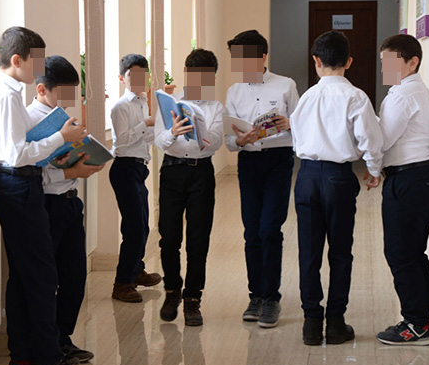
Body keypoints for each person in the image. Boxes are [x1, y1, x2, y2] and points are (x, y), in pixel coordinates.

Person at [0, 27, 91, 365]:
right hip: (18, 184)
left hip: (16, 185)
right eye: (37, 62)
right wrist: (62, 137)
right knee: (42, 277)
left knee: (25, 277)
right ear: (17, 60)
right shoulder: (7, 96)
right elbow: (17, 154)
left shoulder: (6, 93)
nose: (40, 69)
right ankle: (49, 363)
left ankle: (23, 360)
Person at [289, 30, 384, 346]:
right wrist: (373, 171)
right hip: (338, 178)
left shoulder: (306, 98)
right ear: (349, 62)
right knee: (341, 252)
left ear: (316, 61)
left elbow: (297, 138)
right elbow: (370, 139)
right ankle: (336, 323)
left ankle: (311, 323)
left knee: (309, 252)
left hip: (306, 177)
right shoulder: (355, 97)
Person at [26, 55, 103, 364]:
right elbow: (34, 171)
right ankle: (47, 345)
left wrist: (85, 159)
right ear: (42, 89)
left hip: (71, 202)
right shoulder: (31, 119)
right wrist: (71, 171)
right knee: (49, 279)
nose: (70, 99)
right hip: (47, 204)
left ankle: (62, 338)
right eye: (65, 92)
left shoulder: (62, 118)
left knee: (74, 276)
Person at [224, 29, 299, 328]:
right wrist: (240, 140)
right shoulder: (234, 91)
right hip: (249, 162)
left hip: (278, 161)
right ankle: (255, 296)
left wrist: (289, 123)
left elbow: (302, 125)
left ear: (262, 56)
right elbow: (229, 139)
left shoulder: (285, 85)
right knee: (252, 232)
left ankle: (271, 298)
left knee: (270, 229)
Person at [375, 34, 429, 346]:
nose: (384, 68)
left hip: (411, 179)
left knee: (401, 253)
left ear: (412, 62)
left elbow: (381, 140)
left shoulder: (403, 95)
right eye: (383, 62)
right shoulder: (415, 91)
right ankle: (420, 319)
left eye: (390, 62)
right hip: (420, 176)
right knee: (411, 252)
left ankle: (417, 324)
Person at [155, 49, 224, 327]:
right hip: (172, 171)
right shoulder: (168, 103)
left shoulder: (215, 107)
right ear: (187, 73)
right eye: (196, 75)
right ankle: (172, 291)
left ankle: (193, 298)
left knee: (198, 238)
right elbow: (159, 140)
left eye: (207, 77)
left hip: (201, 173)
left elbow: (216, 142)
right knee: (169, 236)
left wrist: (199, 129)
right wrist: (173, 132)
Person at [109, 54, 162, 303]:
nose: (140, 79)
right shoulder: (121, 106)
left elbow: (145, 138)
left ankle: (136, 270)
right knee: (133, 228)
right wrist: (145, 124)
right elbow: (122, 141)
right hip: (125, 169)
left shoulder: (142, 102)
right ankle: (122, 283)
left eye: (144, 74)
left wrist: (161, 130)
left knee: (143, 224)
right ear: (122, 78)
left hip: (140, 168)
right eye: (133, 75)